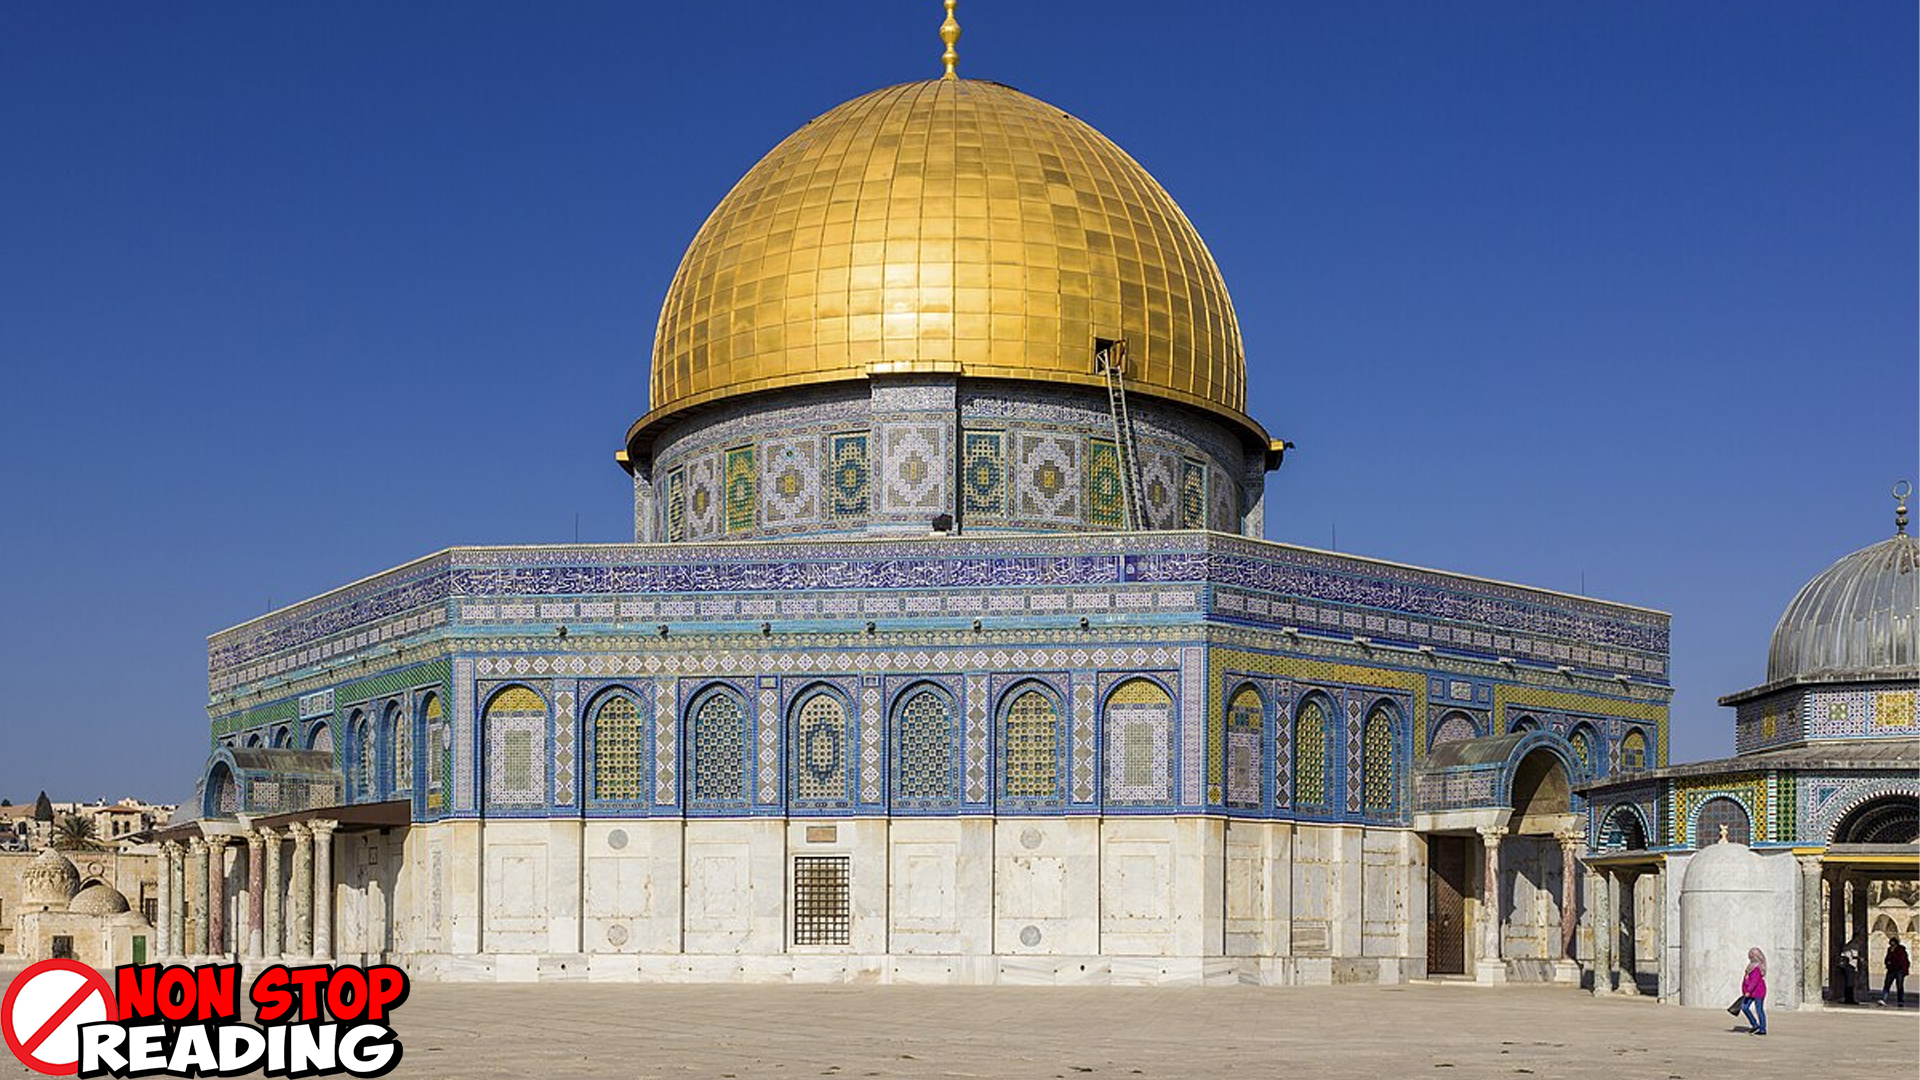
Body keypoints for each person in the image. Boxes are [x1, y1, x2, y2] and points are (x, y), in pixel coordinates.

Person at [1740, 947, 1768, 1035]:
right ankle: (1755, 1024)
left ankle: (1762, 1029)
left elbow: (1754, 981)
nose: (1750, 956)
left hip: (1758, 992)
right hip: (1751, 992)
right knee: (1744, 1007)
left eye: (1752, 954)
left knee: (1759, 1010)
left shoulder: (1757, 968)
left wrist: (1748, 991)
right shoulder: (1751, 966)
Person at [1882, 934, 1910, 1007]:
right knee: (1887, 984)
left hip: (1899, 970)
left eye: (1893, 944)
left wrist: (1904, 971)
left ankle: (1900, 1000)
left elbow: (1902, 961)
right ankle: (1884, 999)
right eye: (1891, 944)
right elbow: (1887, 958)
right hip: (1891, 970)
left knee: (1899, 986)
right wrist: (1887, 963)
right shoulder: (1889, 950)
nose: (1892, 946)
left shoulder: (1901, 950)